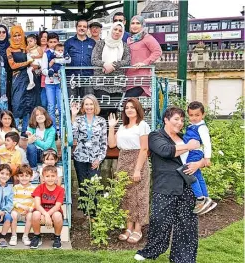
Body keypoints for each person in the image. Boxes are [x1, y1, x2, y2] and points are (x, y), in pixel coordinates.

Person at [134, 107, 205, 262]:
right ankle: (151, 251)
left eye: (181, 120)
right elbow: (166, 151)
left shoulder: (184, 138)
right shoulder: (156, 136)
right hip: (165, 186)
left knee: (187, 226)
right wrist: (188, 147)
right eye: (176, 119)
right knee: (160, 221)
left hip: (188, 187)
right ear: (166, 120)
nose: (180, 123)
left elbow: (204, 158)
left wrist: (198, 164)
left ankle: (183, 257)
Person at [107, 98, 150, 244]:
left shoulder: (142, 125)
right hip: (123, 160)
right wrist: (112, 126)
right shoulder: (123, 127)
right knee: (126, 196)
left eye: (132, 107)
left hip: (138, 160)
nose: (129, 110)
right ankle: (129, 227)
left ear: (138, 109)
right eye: (127, 108)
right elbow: (112, 144)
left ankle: (138, 229)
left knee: (139, 196)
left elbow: (144, 149)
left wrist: (137, 170)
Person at [70, 94, 107, 212]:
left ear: (95, 105)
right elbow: (73, 135)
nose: (89, 106)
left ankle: (94, 212)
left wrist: (99, 159)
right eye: (86, 104)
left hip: (95, 158)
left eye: (91, 104)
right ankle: (85, 211)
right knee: (82, 184)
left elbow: (103, 142)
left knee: (93, 185)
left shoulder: (101, 121)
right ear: (83, 106)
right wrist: (73, 116)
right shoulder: (79, 119)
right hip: (80, 157)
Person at [91, 22, 131, 119]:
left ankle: (112, 133)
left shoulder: (124, 46)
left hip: (117, 84)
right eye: (115, 29)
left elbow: (127, 60)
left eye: (120, 31)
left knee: (113, 110)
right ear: (111, 30)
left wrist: (113, 66)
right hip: (101, 82)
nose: (117, 32)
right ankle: (101, 132)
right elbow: (94, 59)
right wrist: (105, 64)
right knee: (103, 109)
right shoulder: (101, 43)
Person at [184, 101, 217, 214]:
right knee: (198, 175)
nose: (194, 118)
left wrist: (207, 158)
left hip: (195, 153)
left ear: (203, 115)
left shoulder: (201, 127)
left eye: (197, 115)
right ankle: (207, 198)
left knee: (189, 173)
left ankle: (200, 198)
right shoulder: (192, 126)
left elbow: (207, 143)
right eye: (191, 115)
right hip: (192, 152)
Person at [6, 25, 36, 134]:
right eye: (15, 35)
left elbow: (35, 60)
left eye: (19, 35)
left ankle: (25, 130)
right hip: (17, 79)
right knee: (17, 103)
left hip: (28, 78)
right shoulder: (9, 49)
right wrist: (27, 63)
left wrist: (28, 64)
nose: (17, 38)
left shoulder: (26, 48)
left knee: (28, 104)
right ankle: (15, 130)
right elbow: (13, 66)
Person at [125, 15, 162, 97]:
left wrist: (144, 63)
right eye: (133, 23)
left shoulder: (147, 38)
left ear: (142, 25)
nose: (135, 25)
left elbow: (157, 51)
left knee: (127, 100)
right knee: (132, 104)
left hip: (142, 78)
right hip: (129, 78)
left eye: (138, 23)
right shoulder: (129, 40)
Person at [30, 165, 65, 249]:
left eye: (53, 176)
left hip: (54, 212)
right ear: (43, 178)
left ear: (57, 177)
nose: (50, 178)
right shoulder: (39, 188)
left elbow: (57, 206)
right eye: (47, 176)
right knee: (35, 214)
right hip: (42, 211)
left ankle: (57, 237)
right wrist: (45, 214)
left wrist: (47, 215)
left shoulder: (60, 190)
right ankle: (37, 236)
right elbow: (37, 205)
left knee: (57, 215)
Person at [41, 34, 70, 135]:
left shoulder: (62, 51)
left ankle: (62, 132)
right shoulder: (46, 53)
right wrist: (50, 72)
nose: (53, 44)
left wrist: (55, 61)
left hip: (60, 82)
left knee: (61, 107)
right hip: (50, 83)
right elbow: (43, 68)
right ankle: (53, 131)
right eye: (51, 42)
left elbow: (68, 60)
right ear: (48, 43)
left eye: (55, 42)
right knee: (51, 107)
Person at [64, 19, 96, 98]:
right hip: (71, 77)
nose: (82, 28)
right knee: (72, 102)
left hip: (88, 77)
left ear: (87, 29)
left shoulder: (92, 42)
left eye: (84, 26)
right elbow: (63, 57)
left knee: (88, 101)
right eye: (80, 26)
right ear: (76, 28)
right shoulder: (69, 42)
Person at [26, 106, 57, 176]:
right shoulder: (31, 128)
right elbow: (29, 142)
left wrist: (35, 139)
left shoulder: (51, 129)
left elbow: (46, 146)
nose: (39, 116)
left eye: (41, 114)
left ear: (45, 115)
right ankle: (33, 170)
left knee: (35, 146)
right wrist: (30, 139)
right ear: (34, 117)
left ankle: (44, 167)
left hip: (48, 153)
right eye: (37, 115)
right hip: (35, 155)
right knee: (31, 147)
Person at [10, 164, 36, 246]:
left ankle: (25, 236)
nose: (24, 178)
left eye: (26, 176)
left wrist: (29, 209)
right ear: (17, 177)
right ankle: (13, 235)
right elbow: (12, 200)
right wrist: (20, 206)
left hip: (27, 212)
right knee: (13, 214)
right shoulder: (15, 188)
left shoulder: (34, 188)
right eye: (21, 176)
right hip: (17, 211)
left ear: (31, 177)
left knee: (30, 216)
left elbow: (35, 202)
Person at [38, 30, 49, 109]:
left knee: (44, 102)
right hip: (36, 78)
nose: (43, 38)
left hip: (45, 79)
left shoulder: (50, 50)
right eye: (42, 37)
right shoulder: (35, 48)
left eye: (45, 37)